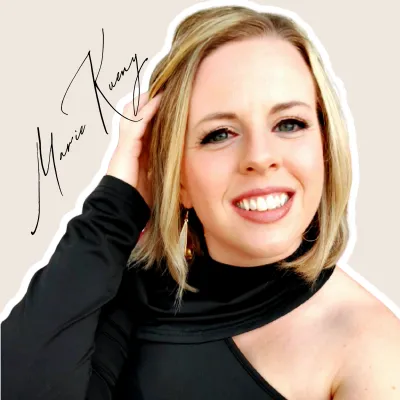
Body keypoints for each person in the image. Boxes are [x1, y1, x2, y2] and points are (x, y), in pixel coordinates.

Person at [2, 4, 400, 400]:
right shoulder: (129, 296)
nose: (260, 157)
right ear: (179, 180)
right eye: (220, 134)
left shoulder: (372, 351)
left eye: (289, 124)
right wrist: (115, 206)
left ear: (325, 148)